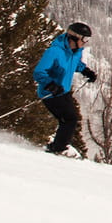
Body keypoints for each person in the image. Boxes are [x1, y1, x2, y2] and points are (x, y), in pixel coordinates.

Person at [32, 21, 97, 156]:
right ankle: (58, 148)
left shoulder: (76, 51)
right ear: (74, 37)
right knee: (69, 119)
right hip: (50, 93)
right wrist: (50, 85)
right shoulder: (54, 51)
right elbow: (39, 72)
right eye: (84, 39)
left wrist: (86, 71)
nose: (85, 42)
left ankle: (58, 146)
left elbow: (76, 63)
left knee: (70, 119)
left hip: (63, 91)